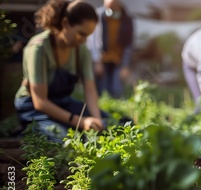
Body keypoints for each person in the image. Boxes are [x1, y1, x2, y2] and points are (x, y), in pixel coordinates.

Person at [14, 0, 107, 143]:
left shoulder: (81, 50)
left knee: (109, 123)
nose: (84, 40)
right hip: (34, 107)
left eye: (88, 36)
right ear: (65, 23)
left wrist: (97, 122)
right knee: (65, 138)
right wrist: (81, 122)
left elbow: (90, 88)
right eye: (81, 34)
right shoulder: (38, 49)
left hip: (62, 103)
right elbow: (40, 102)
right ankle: (28, 130)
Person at [86, 0, 133, 99]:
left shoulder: (126, 20)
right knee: (103, 91)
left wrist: (125, 66)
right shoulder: (99, 17)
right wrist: (97, 62)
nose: (111, 10)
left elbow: (128, 44)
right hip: (103, 59)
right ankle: (104, 112)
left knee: (117, 89)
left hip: (118, 60)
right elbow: (94, 41)